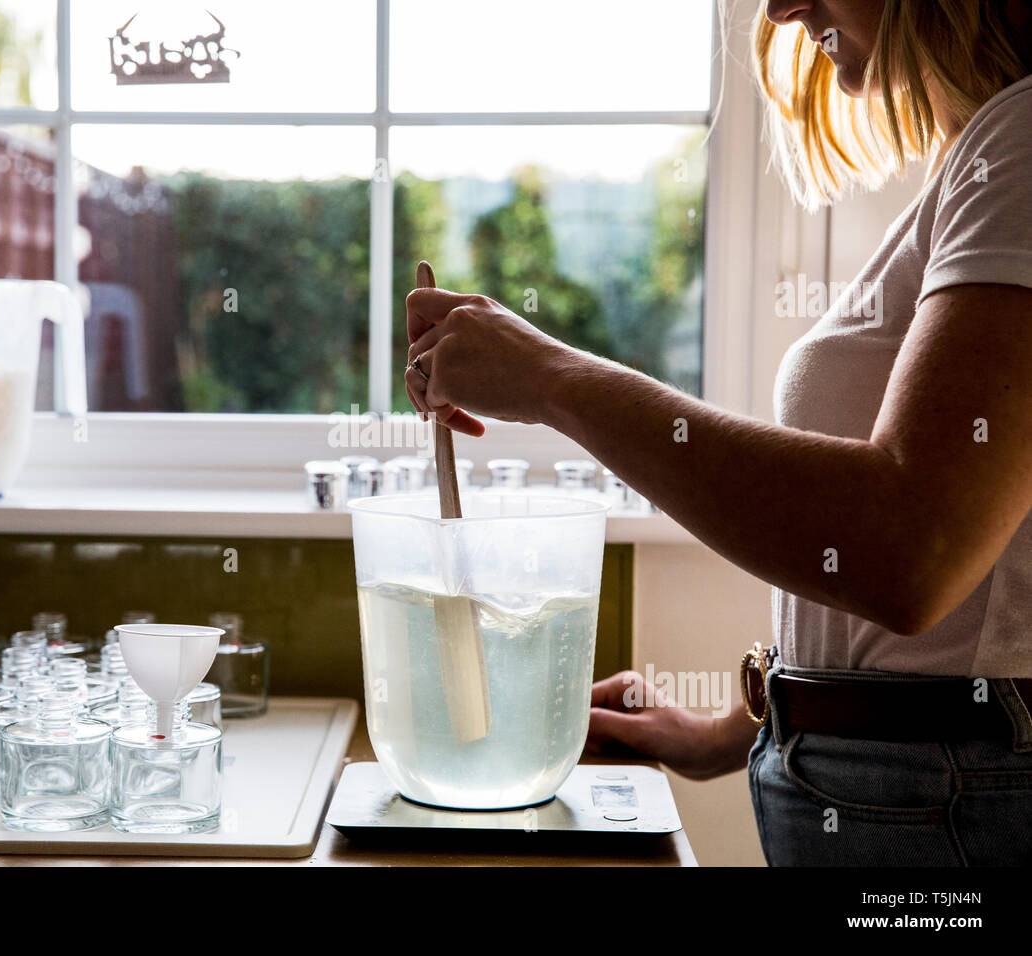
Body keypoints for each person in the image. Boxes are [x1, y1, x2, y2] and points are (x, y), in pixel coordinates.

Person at [403, 0, 1032, 866]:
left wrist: (553, 380)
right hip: (910, 795)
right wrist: (727, 729)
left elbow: (912, 548)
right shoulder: (987, 156)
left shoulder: (1024, 146)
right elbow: (899, 604)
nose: (779, 8)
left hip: (949, 810)